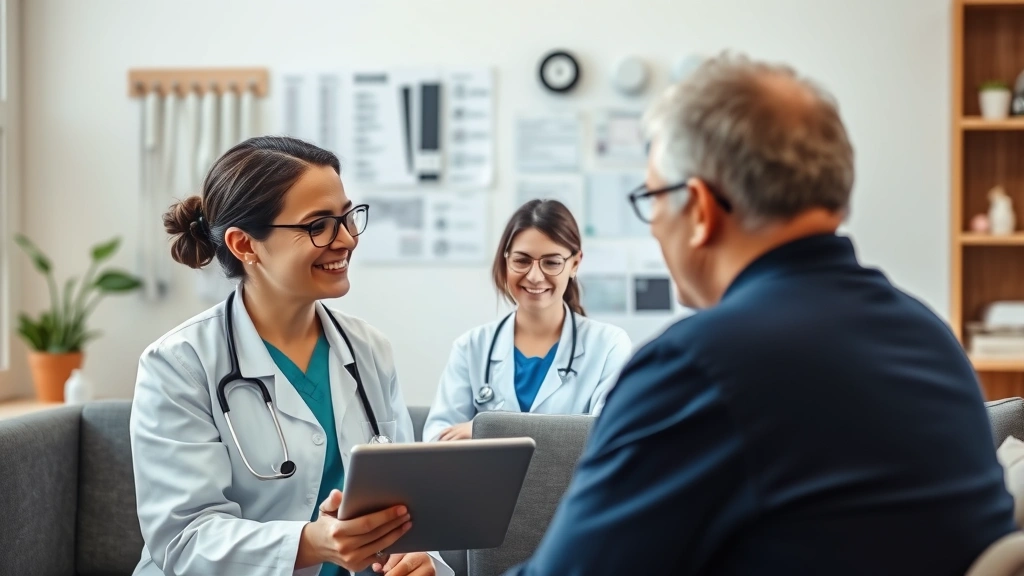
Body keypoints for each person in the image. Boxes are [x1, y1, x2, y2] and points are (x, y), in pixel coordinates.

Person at [505, 53, 1015, 575]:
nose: (654, 225)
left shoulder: (698, 364)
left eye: (653, 198)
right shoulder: (929, 337)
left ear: (700, 209)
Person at [130, 136, 451, 576]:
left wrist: (419, 557)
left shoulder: (368, 349)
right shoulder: (179, 364)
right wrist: (310, 543)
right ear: (245, 245)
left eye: (347, 217)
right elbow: (184, 541)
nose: (347, 239)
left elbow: (406, 503)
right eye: (319, 225)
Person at [422, 199, 632, 443]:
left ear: (575, 264)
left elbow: (610, 438)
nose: (534, 276)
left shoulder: (610, 346)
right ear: (506, 261)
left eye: (551, 262)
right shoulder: (471, 347)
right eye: (522, 261)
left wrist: (487, 430)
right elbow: (437, 439)